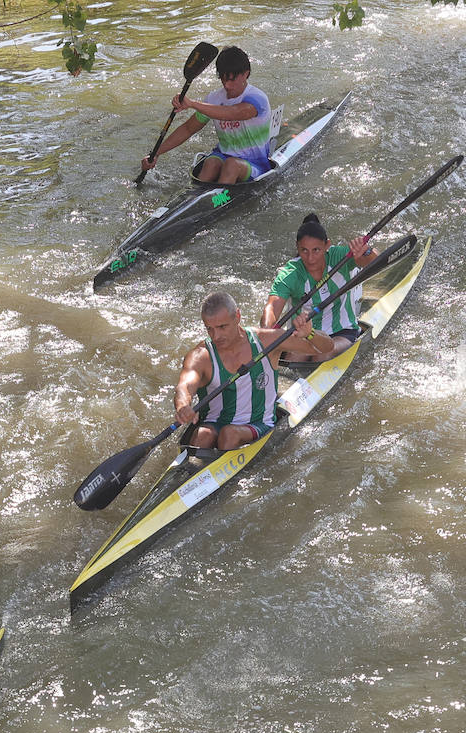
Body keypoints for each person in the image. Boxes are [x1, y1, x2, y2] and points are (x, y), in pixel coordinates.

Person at [174, 291, 331, 451]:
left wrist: (310, 334)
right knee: (202, 436)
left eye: (222, 327)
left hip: (258, 424)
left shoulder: (267, 340)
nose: (216, 336)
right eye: (210, 329)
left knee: (229, 435)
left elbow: (326, 347)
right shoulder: (201, 355)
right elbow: (184, 386)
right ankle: (188, 472)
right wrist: (183, 406)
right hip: (214, 424)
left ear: (237, 316)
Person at [141, 46, 272, 185]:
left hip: (255, 164)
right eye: (223, 78)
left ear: (246, 74)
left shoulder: (257, 98)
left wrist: (192, 104)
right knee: (211, 162)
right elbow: (188, 129)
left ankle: (219, 201)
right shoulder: (213, 99)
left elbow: (232, 113)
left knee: (232, 165)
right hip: (223, 155)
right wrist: (155, 153)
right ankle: (196, 198)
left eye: (232, 79)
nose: (227, 85)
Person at [261, 212, 379, 362]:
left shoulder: (340, 257)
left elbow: (375, 262)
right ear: (297, 248)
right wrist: (266, 332)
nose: (310, 258)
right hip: (305, 334)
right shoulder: (290, 274)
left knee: (322, 355)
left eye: (316, 250)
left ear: (327, 245)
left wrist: (366, 251)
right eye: (304, 251)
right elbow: (271, 307)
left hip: (341, 332)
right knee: (293, 358)